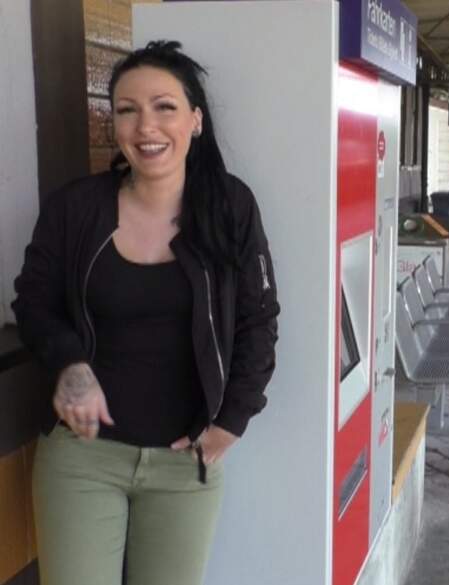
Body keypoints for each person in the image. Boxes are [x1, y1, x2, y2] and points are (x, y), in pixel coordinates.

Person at [12, 41, 279, 585]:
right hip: (82, 458)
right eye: (127, 110)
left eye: (164, 107)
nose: (145, 126)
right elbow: (33, 300)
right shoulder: (76, 208)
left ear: (195, 120)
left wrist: (232, 420)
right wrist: (70, 364)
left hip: (185, 463)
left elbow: (259, 319)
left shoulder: (230, 207)